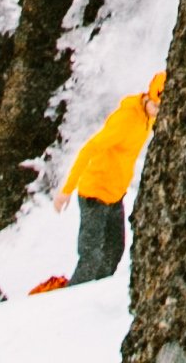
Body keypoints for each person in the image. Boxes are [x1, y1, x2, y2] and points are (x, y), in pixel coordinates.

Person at [57, 77, 161, 284]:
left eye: (161, 108)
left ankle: (92, 300)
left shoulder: (149, 118)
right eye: (155, 106)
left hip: (115, 195)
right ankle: (68, 305)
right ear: (147, 97)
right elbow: (90, 147)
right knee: (91, 258)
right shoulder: (126, 119)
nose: (157, 111)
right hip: (94, 194)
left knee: (114, 253)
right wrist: (67, 189)